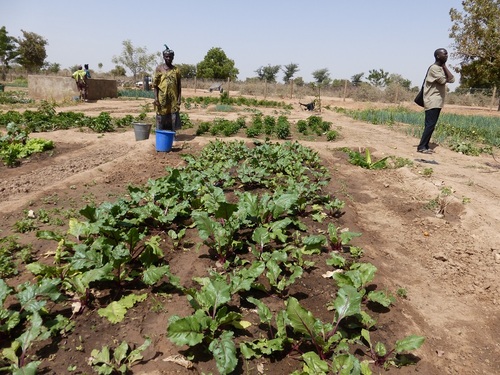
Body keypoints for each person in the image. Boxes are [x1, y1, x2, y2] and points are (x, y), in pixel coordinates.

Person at [417, 48, 455, 153]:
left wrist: (444, 66)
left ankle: (425, 145)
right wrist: (444, 69)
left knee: (431, 125)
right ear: (438, 56)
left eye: (447, 54)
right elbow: (443, 81)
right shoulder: (434, 68)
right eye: (444, 54)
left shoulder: (441, 68)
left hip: (437, 100)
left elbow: (452, 79)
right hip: (432, 100)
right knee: (430, 124)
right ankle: (421, 147)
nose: (447, 55)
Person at [153, 45, 182, 133]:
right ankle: (160, 135)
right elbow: (155, 85)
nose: (168, 58)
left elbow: (179, 86)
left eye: (170, 56)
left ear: (173, 57)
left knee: (173, 117)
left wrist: (179, 98)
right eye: (167, 56)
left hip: (173, 99)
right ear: (164, 57)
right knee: (161, 116)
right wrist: (156, 99)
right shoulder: (159, 69)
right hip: (162, 99)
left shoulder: (176, 70)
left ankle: (172, 135)